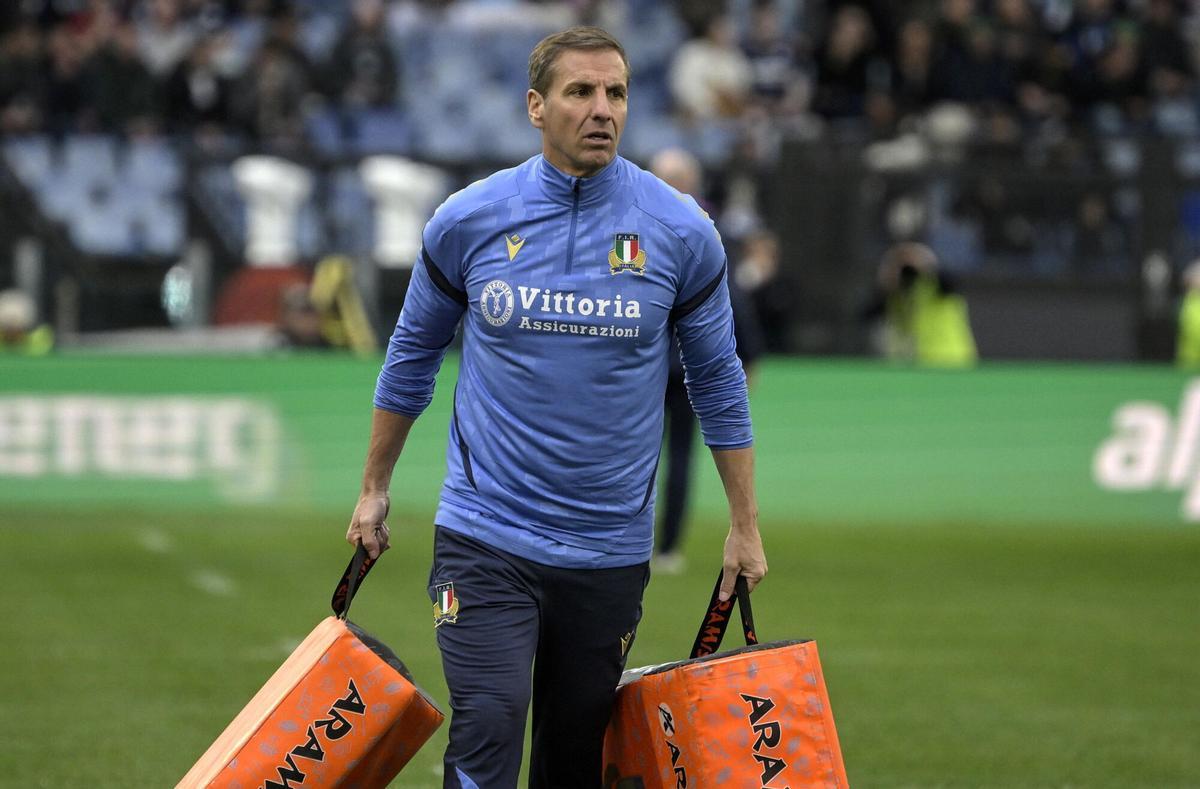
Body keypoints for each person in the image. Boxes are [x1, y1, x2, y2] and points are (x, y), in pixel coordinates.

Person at [344, 26, 766, 789]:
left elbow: (718, 381)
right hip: (484, 537)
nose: (602, 109)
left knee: (572, 762)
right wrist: (375, 487)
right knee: (490, 721)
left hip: (609, 551)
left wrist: (744, 525)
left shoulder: (681, 232)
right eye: (581, 92)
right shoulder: (467, 220)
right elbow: (410, 358)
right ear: (536, 107)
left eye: (617, 93)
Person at [648, 147, 764, 575]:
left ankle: (636, 544)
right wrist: (750, 354)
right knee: (678, 456)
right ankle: (667, 548)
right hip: (683, 364)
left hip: (649, 363)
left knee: (639, 454)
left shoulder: (634, 223)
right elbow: (733, 298)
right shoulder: (707, 230)